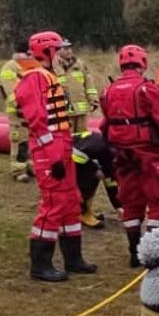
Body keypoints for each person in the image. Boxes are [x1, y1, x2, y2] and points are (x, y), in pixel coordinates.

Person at [16, 31, 96, 282]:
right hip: (49, 149)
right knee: (54, 204)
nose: (62, 54)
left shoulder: (47, 76)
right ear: (47, 52)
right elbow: (38, 123)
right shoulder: (35, 78)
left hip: (61, 143)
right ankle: (40, 264)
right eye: (58, 49)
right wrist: (53, 157)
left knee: (71, 200)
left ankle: (73, 258)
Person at [100, 44, 159, 266]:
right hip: (147, 152)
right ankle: (156, 253)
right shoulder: (146, 88)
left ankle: (134, 252)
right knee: (158, 200)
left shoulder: (108, 91)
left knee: (130, 201)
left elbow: (105, 123)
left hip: (121, 153)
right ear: (143, 63)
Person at [56, 39, 117, 228]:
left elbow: (88, 83)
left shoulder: (79, 65)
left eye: (69, 47)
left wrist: (93, 99)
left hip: (80, 113)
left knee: (85, 159)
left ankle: (84, 205)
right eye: (64, 48)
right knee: (72, 158)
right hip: (62, 115)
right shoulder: (53, 68)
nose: (68, 50)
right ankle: (76, 206)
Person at [0, 45, 33, 181]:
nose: (29, 57)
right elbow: (10, 90)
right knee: (18, 140)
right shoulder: (10, 67)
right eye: (27, 54)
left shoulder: (29, 66)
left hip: (29, 111)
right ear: (18, 53)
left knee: (29, 140)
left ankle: (29, 166)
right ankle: (18, 171)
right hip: (17, 112)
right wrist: (20, 105)